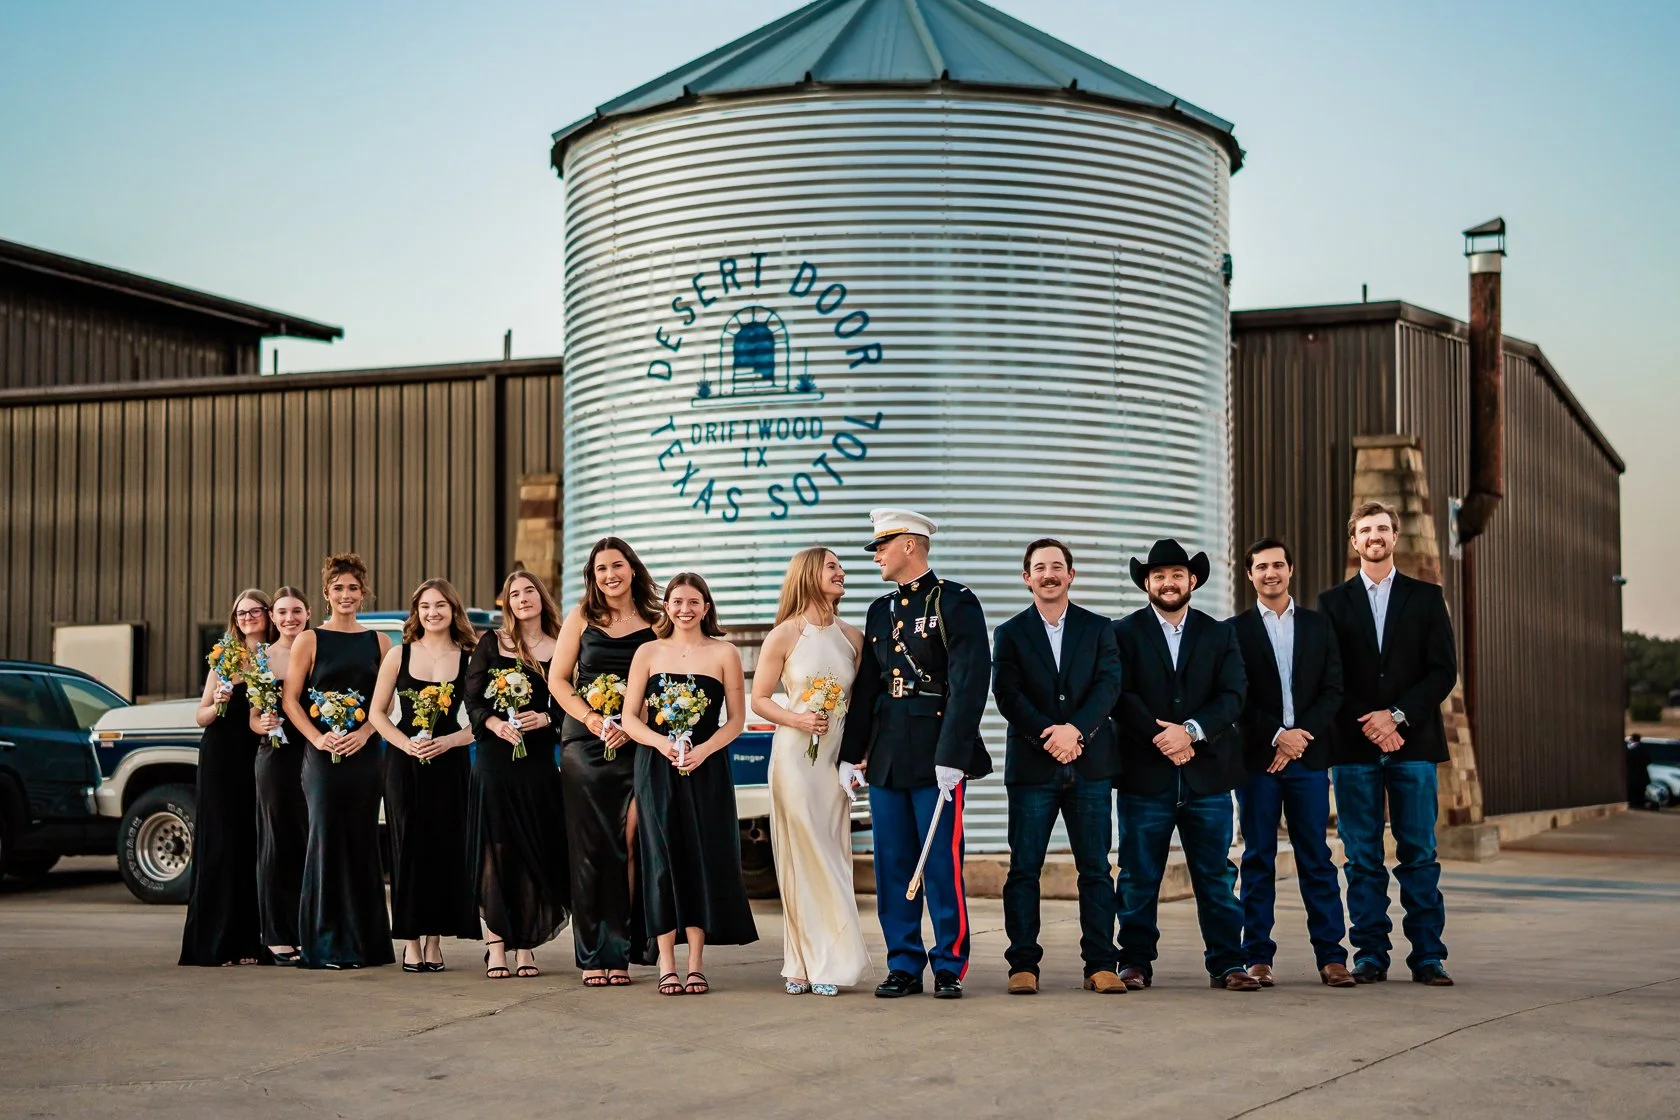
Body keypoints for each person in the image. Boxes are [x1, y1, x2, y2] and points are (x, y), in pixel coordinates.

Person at [839, 508, 991, 1000]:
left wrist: (954, 755)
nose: (876, 555)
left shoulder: (957, 602)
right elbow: (868, 689)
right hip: (886, 755)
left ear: (910, 544)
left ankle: (949, 964)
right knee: (892, 863)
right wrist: (851, 753)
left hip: (936, 754)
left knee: (941, 864)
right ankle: (903, 962)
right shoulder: (880, 610)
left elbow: (970, 684)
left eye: (882, 545)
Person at [1317, 501, 1458, 987]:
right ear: (1354, 541)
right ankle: (1371, 953)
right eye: (1365, 530)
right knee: (1362, 857)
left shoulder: (1426, 597)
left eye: (1382, 529)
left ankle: (1428, 957)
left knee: (1418, 853)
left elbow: (1443, 670)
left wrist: (1396, 716)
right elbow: (1330, 674)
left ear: (1394, 537)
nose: (1374, 536)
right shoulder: (1333, 603)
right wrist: (1371, 723)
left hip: (1414, 745)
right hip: (1353, 749)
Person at [1111, 539, 1254, 992]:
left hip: (1208, 777)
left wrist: (1189, 732)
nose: (1167, 583)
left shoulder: (1219, 634)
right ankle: (1134, 962)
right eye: (1158, 576)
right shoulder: (1123, 633)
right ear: (1146, 584)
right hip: (1144, 776)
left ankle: (1228, 963)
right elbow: (1119, 695)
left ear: (1192, 580)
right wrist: (1165, 739)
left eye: (1176, 574)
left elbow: (1233, 696)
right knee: (1137, 875)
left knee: (1216, 874)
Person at [992, 538, 1125, 995]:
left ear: (1071, 575)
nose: (1049, 574)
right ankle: (1022, 965)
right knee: (1024, 869)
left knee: (1095, 869)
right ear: (1026, 577)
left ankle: (1101, 964)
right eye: (1039, 567)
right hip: (1033, 768)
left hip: (1089, 765)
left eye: (1057, 566)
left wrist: (1077, 733)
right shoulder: (1009, 633)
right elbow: (1007, 695)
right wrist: (1051, 735)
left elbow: (1109, 687)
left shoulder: (1099, 628)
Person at [620, 572, 758, 996]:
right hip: (657, 765)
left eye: (693, 601)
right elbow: (628, 718)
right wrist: (662, 744)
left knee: (701, 856)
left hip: (707, 767)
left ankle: (696, 962)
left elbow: (736, 720)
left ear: (706, 607)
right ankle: (666, 961)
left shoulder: (724, 653)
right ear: (667, 606)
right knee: (660, 858)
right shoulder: (647, 651)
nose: (684, 609)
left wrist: (704, 750)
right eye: (677, 601)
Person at [1230, 538, 1354, 988]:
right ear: (1250, 575)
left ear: (1291, 570)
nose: (1270, 573)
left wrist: (1299, 737)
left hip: (1307, 760)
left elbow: (1333, 690)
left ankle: (1332, 957)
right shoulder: (1236, 631)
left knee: (1316, 858)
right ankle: (1257, 956)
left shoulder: (1319, 627)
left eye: (1277, 565)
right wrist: (1277, 736)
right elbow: (1237, 696)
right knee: (1258, 857)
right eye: (1261, 567)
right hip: (1259, 763)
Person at [752, 547, 871, 996]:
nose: (841, 573)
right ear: (807, 575)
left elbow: (860, 708)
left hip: (834, 762)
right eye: (832, 567)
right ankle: (805, 961)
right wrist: (797, 718)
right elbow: (760, 698)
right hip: (794, 758)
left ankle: (819, 962)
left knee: (834, 853)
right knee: (803, 855)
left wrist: (857, 757)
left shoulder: (853, 639)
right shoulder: (784, 635)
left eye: (841, 567)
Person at [549, 537, 662, 987]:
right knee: (592, 849)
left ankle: (624, 948)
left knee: (631, 841)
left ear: (633, 569)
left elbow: (667, 679)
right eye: (601, 569)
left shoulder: (658, 621)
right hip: (586, 744)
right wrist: (594, 719)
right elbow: (558, 680)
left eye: (618, 565)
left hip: (638, 743)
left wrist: (635, 722)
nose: (610, 575)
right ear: (592, 577)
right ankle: (595, 953)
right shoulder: (581, 617)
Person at [282, 554, 395, 969]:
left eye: (353, 588)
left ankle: (367, 945)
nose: (345, 595)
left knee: (362, 839)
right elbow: (290, 699)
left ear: (363, 594)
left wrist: (366, 733)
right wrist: (317, 736)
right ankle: (326, 944)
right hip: (322, 755)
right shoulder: (310, 640)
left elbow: (387, 702)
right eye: (338, 588)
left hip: (365, 757)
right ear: (326, 594)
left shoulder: (380, 642)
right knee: (326, 839)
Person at [368, 578, 481, 973]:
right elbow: (377, 714)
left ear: (454, 610)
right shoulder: (398, 655)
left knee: (444, 850)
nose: (433, 612)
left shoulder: (470, 656)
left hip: (450, 766)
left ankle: (434, 941)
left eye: (441, 606)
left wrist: (450, 742)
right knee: (407, 849)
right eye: (425, 606)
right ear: (416, 612)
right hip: (405, 766)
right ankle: (411, 942)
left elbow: (481, 721)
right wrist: (405, 745)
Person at [465, 570, 571, 980]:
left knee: (532, 849)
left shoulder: (562, 645)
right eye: (515, 593)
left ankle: (525, 945)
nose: (523, 598)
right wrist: (494, 724)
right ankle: (496, 945)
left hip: (537, 763)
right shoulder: (492, 642)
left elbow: (569, 701)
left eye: (530, 591)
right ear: (506, 602)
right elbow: (472, 699)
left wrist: (545, 717)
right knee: (496, 849)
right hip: (494, 760)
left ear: (542, 598)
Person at [179, 589, 274, 967]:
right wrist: (217, 702)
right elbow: (200, 716)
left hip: (262, 755)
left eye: (254, 611)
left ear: (268, 615)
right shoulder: (224, 658)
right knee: (222, 842)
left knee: (254, 843)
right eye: (240, 613)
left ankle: (250, 942)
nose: (247, 617)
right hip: (221, 756)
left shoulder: (280, 653)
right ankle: (216, 943)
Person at [252, 585, 310, 964]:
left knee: (308, 842)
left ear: (307, 614)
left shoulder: (317, 651)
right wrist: (264, 722)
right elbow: (254, 720)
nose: (290, 618)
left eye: (297, 611)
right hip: (275, 757)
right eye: (283, 612)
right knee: (277, 843)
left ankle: (306, 929)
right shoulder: (262, 658)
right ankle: (276, 935)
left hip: (314, 754)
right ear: (273, 618)